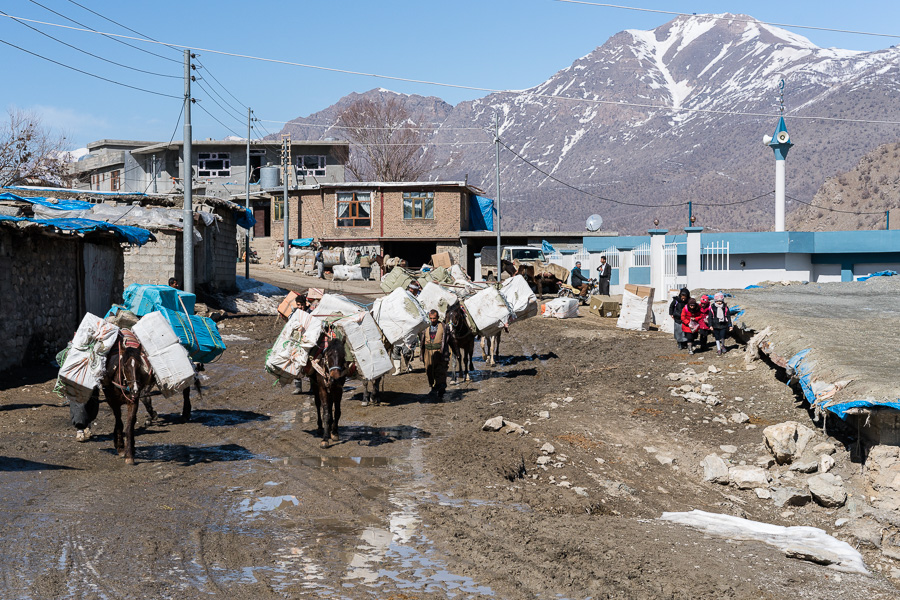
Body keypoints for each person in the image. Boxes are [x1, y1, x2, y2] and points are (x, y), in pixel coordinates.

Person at [420, 309, 449, 400]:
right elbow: (421, 340)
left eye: (434, 318)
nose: (432, 320)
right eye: (431, 318)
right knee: (429, 370)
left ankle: (440, 388)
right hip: (428, 352)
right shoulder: (425, 327)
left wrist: (456, 352)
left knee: (440, 370)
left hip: (439, 352)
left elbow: (450, 340)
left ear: (438, 317)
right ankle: (433, 386)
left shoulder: (444, 327)